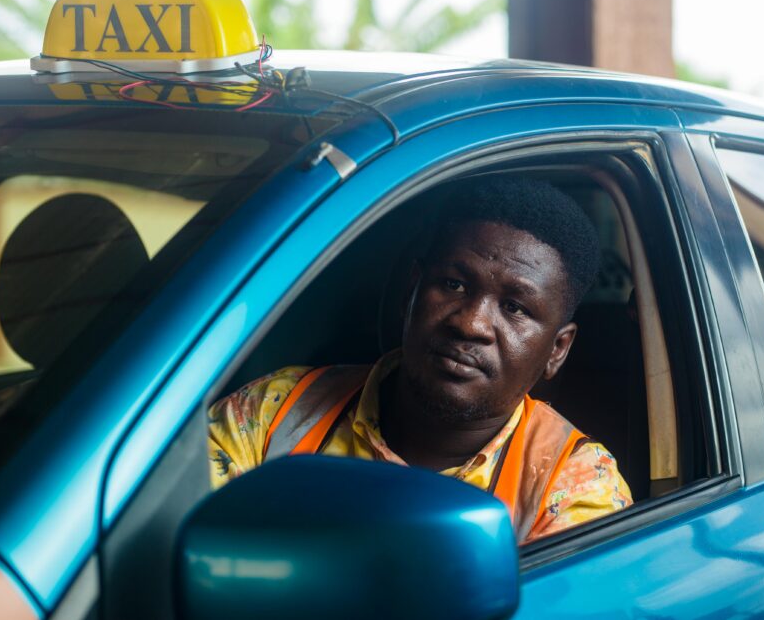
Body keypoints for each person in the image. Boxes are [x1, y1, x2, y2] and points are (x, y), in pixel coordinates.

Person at [208, 177, 632, 543]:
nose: (470, 324)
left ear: (556, 350)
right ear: (411, 290)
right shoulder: (275, 410)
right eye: (453, 284)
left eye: (515, 308)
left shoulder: (573, 487)